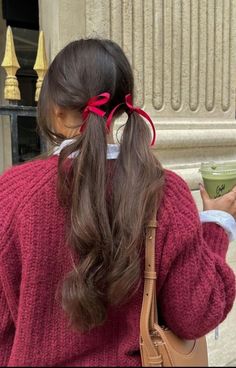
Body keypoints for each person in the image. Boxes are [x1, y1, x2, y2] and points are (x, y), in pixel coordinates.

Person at [0, 38, 235, 367]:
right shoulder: (165, 192)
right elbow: (196, 315)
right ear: (123, 108)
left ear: (55, 109)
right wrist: (216, 225)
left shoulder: (13, 195)